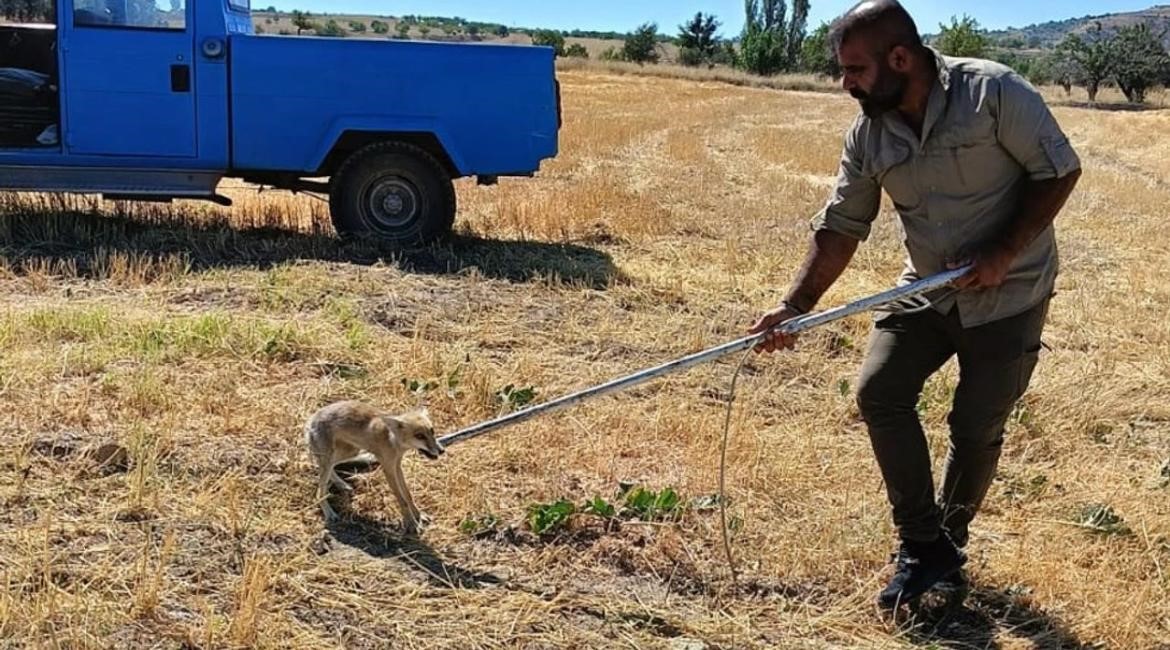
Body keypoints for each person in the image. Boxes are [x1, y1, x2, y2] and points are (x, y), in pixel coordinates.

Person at [748, 0, 1082, 609]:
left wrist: (1004, 249)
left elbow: (1059, 170)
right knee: (880, 392)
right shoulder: (869, 133)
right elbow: (842, 226)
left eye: (855, 70)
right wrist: (794, 304)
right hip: (926, 289)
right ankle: (922, 544)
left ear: (900, 58)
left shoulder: (993, 93)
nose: (844, 83)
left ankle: (947, 550)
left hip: (1012, 294)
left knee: (975, 427)